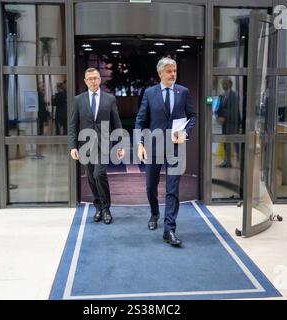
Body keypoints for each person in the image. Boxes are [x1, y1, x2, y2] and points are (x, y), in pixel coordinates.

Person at [135, 57, 196, 246]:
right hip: (154, 147)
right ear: (160, 73)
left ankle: (169, 229)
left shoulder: (183, 92)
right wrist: (140, 144)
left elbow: (192, 116)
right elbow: (140, 121)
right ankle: (154, 213)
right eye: (169, 71)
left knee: (172, 189)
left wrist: (185, 131)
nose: (173, 74)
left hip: (175, 148)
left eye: (175, 71)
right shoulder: (149, 93)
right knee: (150, 186)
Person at [69, 68, 125, 224]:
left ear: (100, 80)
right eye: (90, 79)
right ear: (85, 81)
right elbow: (73, 125)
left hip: (104, 144)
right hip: (85, 145)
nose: (93, 81)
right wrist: (73, 146)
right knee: (91, 178)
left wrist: (120, 144)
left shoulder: (110, 99)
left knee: (98, 174)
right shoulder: (78, 100)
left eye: (95, 78)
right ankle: (98, 208)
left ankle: (106, 208)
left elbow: (117, 122)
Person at [216, 78, 240, 168]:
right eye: (222, 83)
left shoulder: (234, 95)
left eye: (224, 83)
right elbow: (219, 108)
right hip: (225, 124)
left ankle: (239, 159)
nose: (223, 85)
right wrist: (219, 116)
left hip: (232, 122)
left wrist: (224, 117)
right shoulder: (222, 95)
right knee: (226, 142)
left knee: (234, 141)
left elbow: (233, 110)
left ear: (230, 84)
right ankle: (227, 161)